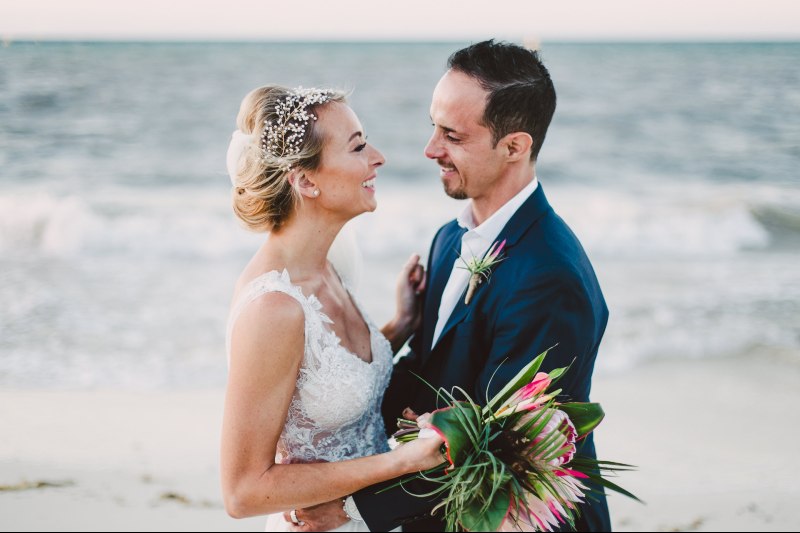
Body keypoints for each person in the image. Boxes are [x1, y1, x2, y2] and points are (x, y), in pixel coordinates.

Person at [291, 40, 613, 532]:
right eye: (432, 126)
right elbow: (427, 376)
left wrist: (354, 507)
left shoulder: (550, 279)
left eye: (453, 136)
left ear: (514, 147)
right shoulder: (450, 238)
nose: (430, 149)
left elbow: (503, 449)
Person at [220, 85, 445, 532]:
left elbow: (323, 373)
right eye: (358, 146)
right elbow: (243, 492)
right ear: (306, 181)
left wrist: (400, 326)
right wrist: (400, 463)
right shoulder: (272, 309)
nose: (378, 157)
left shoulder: (330, 263)